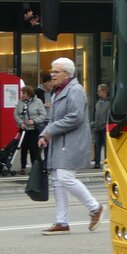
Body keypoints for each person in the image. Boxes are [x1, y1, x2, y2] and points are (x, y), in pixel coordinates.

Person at [37, 58, 102, 236]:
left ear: (67, 74)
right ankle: (62, 222)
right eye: (52, 71)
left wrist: (49, 130)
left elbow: (75, 117)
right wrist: (45, 134)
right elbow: (54, 118)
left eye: (56, 71)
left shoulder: (75, 90)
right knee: (58, 180)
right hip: (61, 141)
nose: (52, 74)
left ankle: (95, 207)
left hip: (72, 141)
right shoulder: (58, 91)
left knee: (65, 177)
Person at [14, 85, 46, 176]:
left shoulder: (38, 102)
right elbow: (16, 114)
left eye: (24, 93)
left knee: (34, 149)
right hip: (23, 129)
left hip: (34, 129)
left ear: (29, 94)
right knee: (23, 148)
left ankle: (35, 167)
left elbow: (43, 115)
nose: (22, 95)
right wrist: (21, 123)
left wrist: (34, 121)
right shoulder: (21, 102)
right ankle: (23, 167)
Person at [91, 84, 111, 168]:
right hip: (97, 127)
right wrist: (94, 123)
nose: (97, 93)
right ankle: (97, 162)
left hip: (105, 128)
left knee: (106, 146)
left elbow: (109, 115)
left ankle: (107, 162)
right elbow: (95, 114)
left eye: (99, 91)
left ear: (104, 91)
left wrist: (106, 124)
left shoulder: (109, 103)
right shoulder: (97, 103)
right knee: (97, 145)